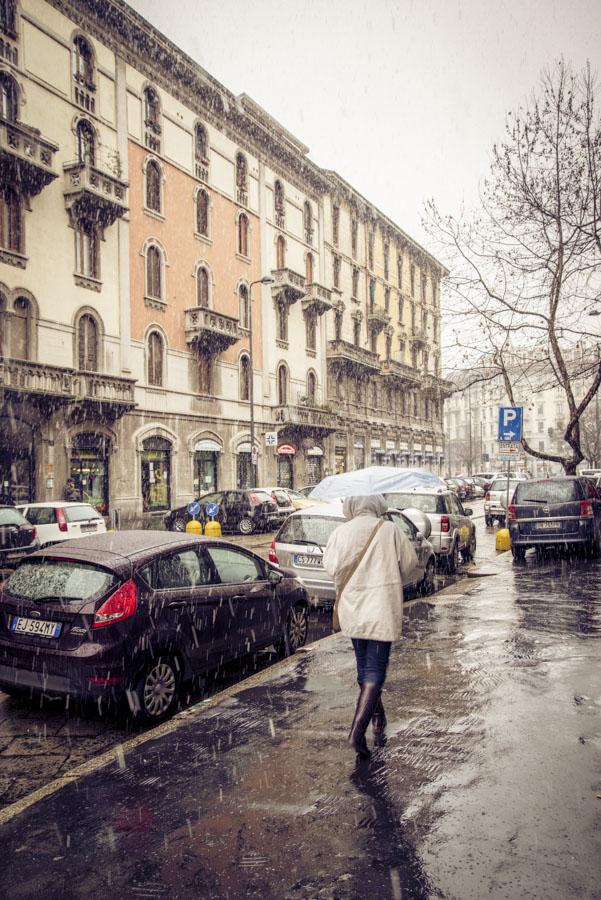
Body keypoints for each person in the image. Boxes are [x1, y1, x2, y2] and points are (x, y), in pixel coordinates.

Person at [323, 494, 417, 761]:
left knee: (363, 667)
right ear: (377, 505)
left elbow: (330, 567)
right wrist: (389, 573)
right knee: (375, 670)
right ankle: (357, 731)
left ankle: (378, 716)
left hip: (353, 608)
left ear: (351, 506)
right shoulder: (391, 530)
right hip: (381, 607)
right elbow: (409, 566)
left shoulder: (341, 532)